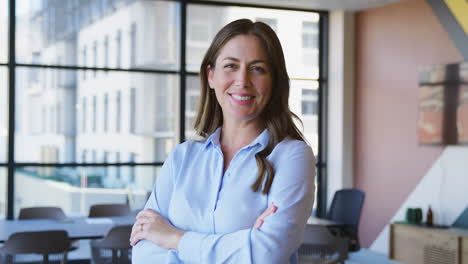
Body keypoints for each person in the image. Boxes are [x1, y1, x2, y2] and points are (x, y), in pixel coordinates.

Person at [130, 18, 315, 263]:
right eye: (230, 66)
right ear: (211, 76)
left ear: (274, 81)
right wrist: (243, 245)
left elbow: (265, 254)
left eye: (258, 68)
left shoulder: (292, 156)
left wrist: (173, 238)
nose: (242, 80)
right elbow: (143, 251)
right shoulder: (182, 157)